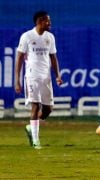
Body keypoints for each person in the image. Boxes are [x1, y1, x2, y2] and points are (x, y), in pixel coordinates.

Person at [14, 10, 63, 149]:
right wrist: (17, 80)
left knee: (48, 109)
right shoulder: (27, 36)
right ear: (40, 21)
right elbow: (19, 57)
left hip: (45, 76)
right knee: (35, 105)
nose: (50, 22)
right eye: (47, 20)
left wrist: (57, 75)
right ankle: (36, 141)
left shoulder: (50, 37)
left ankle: (31, 126)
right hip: (32, 76)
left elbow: (53, 57)